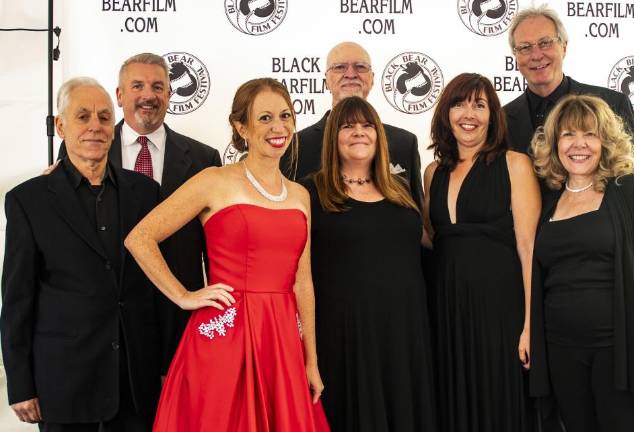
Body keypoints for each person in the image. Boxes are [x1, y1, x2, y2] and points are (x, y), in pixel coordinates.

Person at [124, 78, 329, 431]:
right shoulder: (214, 180)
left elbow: (302, 281)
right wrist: (184, 296)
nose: (278, 127)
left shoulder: (300, 195)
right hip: (226, 336)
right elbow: (140, 238)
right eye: (264, 118)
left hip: (281, 341)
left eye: (285, 115)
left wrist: (311, 361)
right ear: (241, 127)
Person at [1, 77, 162, 431]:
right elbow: (16, 302)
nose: (95, 127)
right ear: (60, 125)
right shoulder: (28, 201)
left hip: (135, 388)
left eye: (105, 118)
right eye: (83, 116)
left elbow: (155, 291)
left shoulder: (146, 193)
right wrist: (20, 385)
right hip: (63, 387)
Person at [58, 53, 222, 373]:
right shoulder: (84, 149)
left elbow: (214, 247)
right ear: (119, 95)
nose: (148, 95)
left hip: (179, 318)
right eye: (137, 86)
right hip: (106, 323)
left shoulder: (204, 159)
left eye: (158, 86)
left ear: (169, 95)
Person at [529, 94, 634, 431]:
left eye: (589, 134)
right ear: (554, 143)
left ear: (605, 141)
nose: (579, 145)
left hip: (620, 355)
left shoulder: (630, 191)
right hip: (561, 354)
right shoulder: (549, 200)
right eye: (568, 135)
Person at [302, 96, 436, 431]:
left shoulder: (401, 190)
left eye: (366, 126)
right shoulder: (311, 192)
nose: (358, 133)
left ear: (378, 134)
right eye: (348, 126)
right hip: (346, 335)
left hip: (404, 332)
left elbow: (428, 244)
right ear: (333, 137)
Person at [424, 73, 540, 431]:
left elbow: (528, 248)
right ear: (446, 113)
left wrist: (529, 326)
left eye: (479, 104)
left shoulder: (514, 164)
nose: (468, 113)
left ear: (493, 115)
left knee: (499, 404)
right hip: (445, 310)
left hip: (500, 313)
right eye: (459, 104)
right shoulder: (433, 172)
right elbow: (431, 240)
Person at [504, 5, 634, 175]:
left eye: (545, 43)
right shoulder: (501, 120)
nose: (536, 55)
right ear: (515, 55)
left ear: (564, 47)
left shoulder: (612, 103)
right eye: (525, 47)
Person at [281, 41, 423, 208]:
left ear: (372, 79)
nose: (350, 74)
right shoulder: (295, 145)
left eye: (360, 67)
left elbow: (418, 215)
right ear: (326, 80)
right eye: (340, 67)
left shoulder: (405, 142)